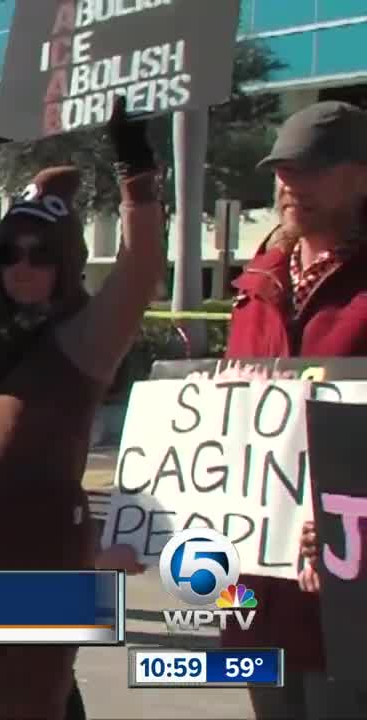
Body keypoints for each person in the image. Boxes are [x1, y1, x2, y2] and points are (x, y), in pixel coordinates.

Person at [0, 99, 163, 719]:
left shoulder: (86, 338)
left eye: (40, 253)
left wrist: (136, 171)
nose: (22, 265)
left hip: (43, 574)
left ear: (66, 260)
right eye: (11, 250)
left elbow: (142, 266)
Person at [217, 100, 367, 720]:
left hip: (348, 601)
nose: (289, 183)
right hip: (253, 595)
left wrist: (352, 524)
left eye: (310, 168)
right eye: (282, 168)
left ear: (361, 176)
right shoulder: (256, 288)